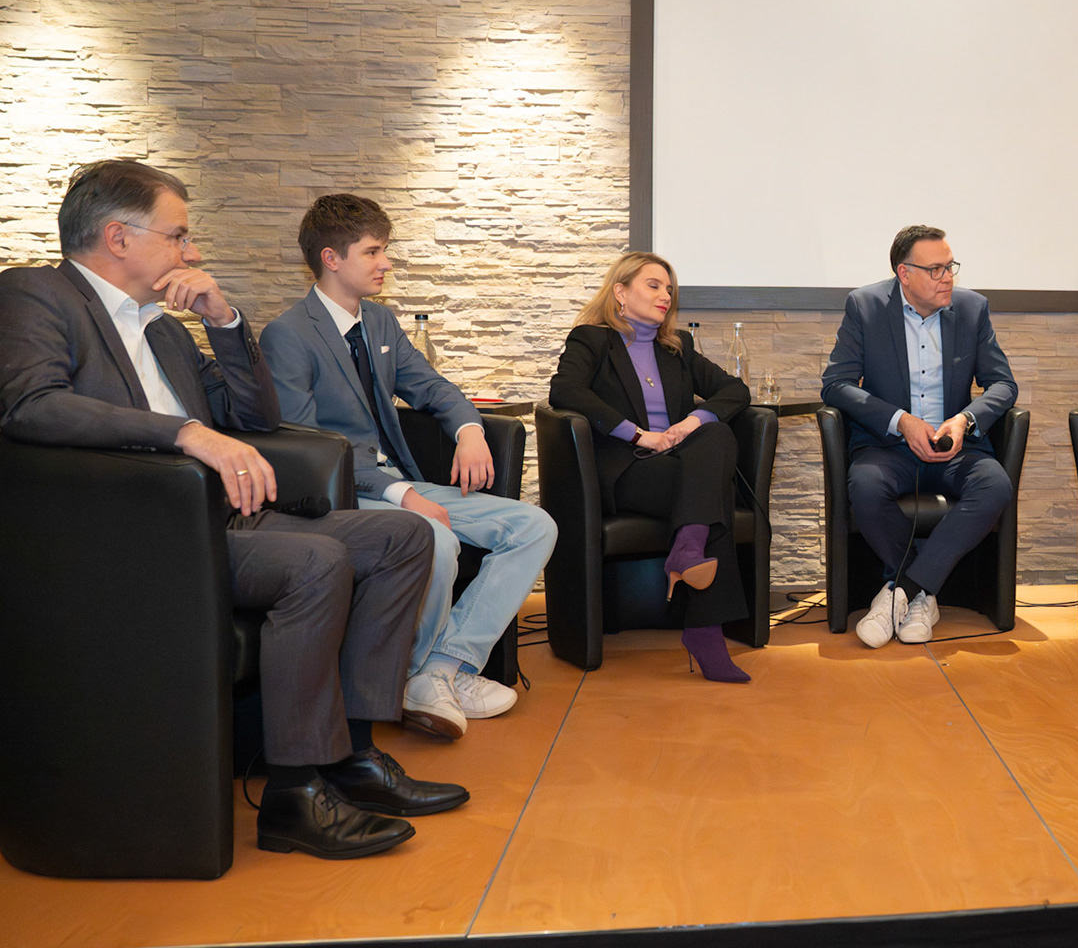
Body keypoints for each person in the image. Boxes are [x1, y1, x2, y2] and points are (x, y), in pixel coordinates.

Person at [0, 160, 465, 860]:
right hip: (137, 533)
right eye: (179, 235)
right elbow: (33, 406)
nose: (190, 253)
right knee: (317, 558)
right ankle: (294, 793)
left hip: (223, 519)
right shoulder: (36, 293)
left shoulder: (161, 328)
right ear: (120, 238)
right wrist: (182, 433)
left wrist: (223, 321)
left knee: (401, 537)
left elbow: (252, 415)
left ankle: (355, 759)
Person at [261, 194, 557, 739]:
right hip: (345, 494)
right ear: (332, 258)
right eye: (373, 251)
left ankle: (443, 669)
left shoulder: (379, 322)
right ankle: (410, 675)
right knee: (435, 541)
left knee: (533, 525)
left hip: (399, 480)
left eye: (385, 250)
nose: (386, 263)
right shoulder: (288, 335)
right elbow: (306, 448)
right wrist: (403, 498)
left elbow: (432, 388)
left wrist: (469, 431)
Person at [548, 252, 755, 682]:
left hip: (680, 466)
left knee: (715, 433)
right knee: (711, 492)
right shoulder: (592, 339)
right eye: (654, 285)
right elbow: (565, 392)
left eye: (669, 288)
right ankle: (704, 631)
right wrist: (640, 435)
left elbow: (735, 390)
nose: (666, 295)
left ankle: (687, 549)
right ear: (620, 292)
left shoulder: (676, 347)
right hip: (628, 469)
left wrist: (689, 422)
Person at [822, 225, 1018, 648]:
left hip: (953, 447)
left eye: (950, 266)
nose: (948, 277)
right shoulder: (866, 306)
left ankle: (903, 590)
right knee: (866, 485)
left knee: (995, 486)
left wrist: (964, 420)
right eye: (936, 269)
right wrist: (900, 420)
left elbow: (1003, 385)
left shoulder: (972, 309)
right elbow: (835, 384)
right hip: (889, 446)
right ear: (904, 274)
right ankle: (921, 596)